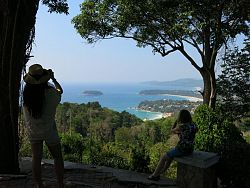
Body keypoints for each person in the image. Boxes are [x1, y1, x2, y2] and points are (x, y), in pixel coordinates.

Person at [22, 64, 64, 188]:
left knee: (36, 158)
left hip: (33, 130)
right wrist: (54, 79)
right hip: (49, 130)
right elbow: (60, 91)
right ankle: (61, 184)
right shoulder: (51, 93)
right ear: (44, 79)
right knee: (57, 157)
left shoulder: (26, 94)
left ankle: (39, 184)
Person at [148, 109, 197, 181]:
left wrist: (176, 121)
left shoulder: (182, 126)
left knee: (163, 157)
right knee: (169, 157)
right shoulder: (193, 125)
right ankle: (159, 173)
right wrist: (181, 134)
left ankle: (155, 175)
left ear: (181, 117)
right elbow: (189, 134)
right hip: (190, 149)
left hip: (182, 149)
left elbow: (172, 130)